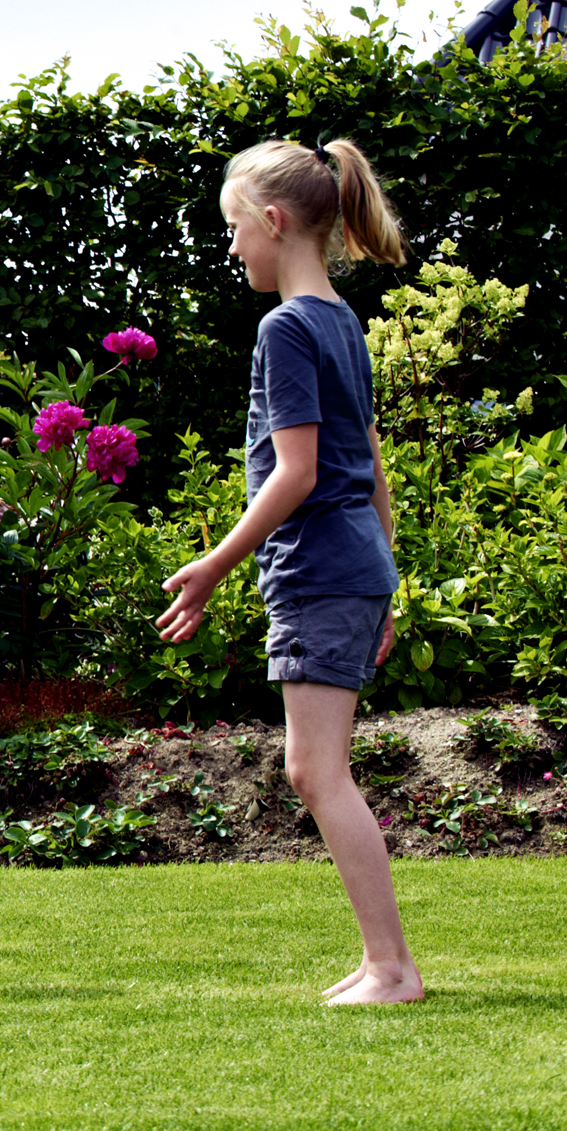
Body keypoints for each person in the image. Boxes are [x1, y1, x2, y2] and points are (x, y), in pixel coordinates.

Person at [155, 138, 422, 1006]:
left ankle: (391, 968)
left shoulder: (284, 327)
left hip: (316, 564)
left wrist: (211, 566)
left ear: (272, 222)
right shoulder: (338, 319)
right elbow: (370, 461)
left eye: (234, 229)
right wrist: (383, 577)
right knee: (318, 767)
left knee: (315, 771)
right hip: (350, 563)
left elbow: (297, 471)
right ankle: (380, 961)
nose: (232, 248)